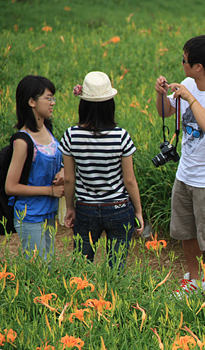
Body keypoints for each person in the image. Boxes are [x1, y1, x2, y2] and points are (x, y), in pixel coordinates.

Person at [154, 35, 205, 294]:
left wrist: (191, 98)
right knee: (187, 233)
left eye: (185, 60)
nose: (182, 64)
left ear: (198, 66)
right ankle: (194, 280)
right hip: (186, 176)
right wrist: (159, 94)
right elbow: (165, 112)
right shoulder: (190, 83)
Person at [61, 71, 144, 270]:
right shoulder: (121, 136)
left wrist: (70, 208)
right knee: (116, 266)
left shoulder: (71, 135)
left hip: (86, 208)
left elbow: (69, 179)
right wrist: (139, 211)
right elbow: (129, 180)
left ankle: (81, 297)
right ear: (110, 105)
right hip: (118, 208)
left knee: (81, 264)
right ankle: (112, 298)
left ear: (83, 104)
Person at [5, 75, 64, 260]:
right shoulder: (23, 141)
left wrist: (62, 170)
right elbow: (11, 187)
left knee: (48, 264)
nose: (52, 103)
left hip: (49, 212)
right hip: (30, 215)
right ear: (31, 101)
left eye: (52, 98)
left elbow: (56, 159)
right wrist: (50, 190)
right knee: (37, 269)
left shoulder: (47, 129)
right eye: (48, 98)